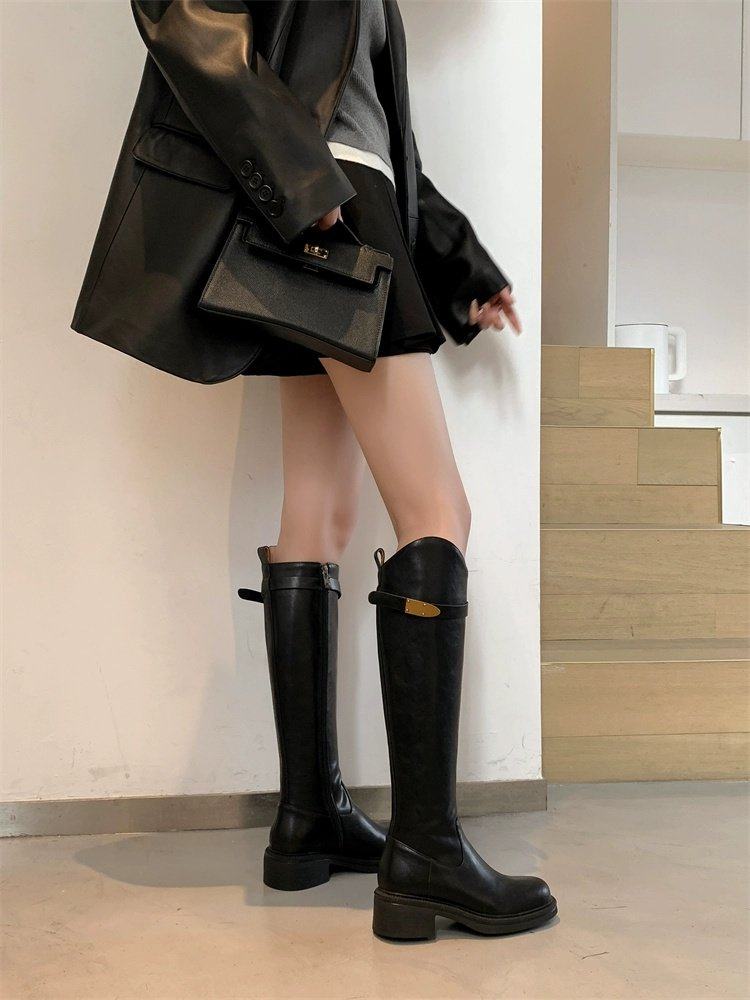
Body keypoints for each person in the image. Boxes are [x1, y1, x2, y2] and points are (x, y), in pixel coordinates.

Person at [72, 0, 557, 941]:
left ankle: (309, 819)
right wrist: (299, 179)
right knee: (437, 512)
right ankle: (426, 853)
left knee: (320, 514)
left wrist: (457, 257)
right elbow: (180, 14)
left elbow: (366, 120)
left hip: (328, 203)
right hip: (325, 208)